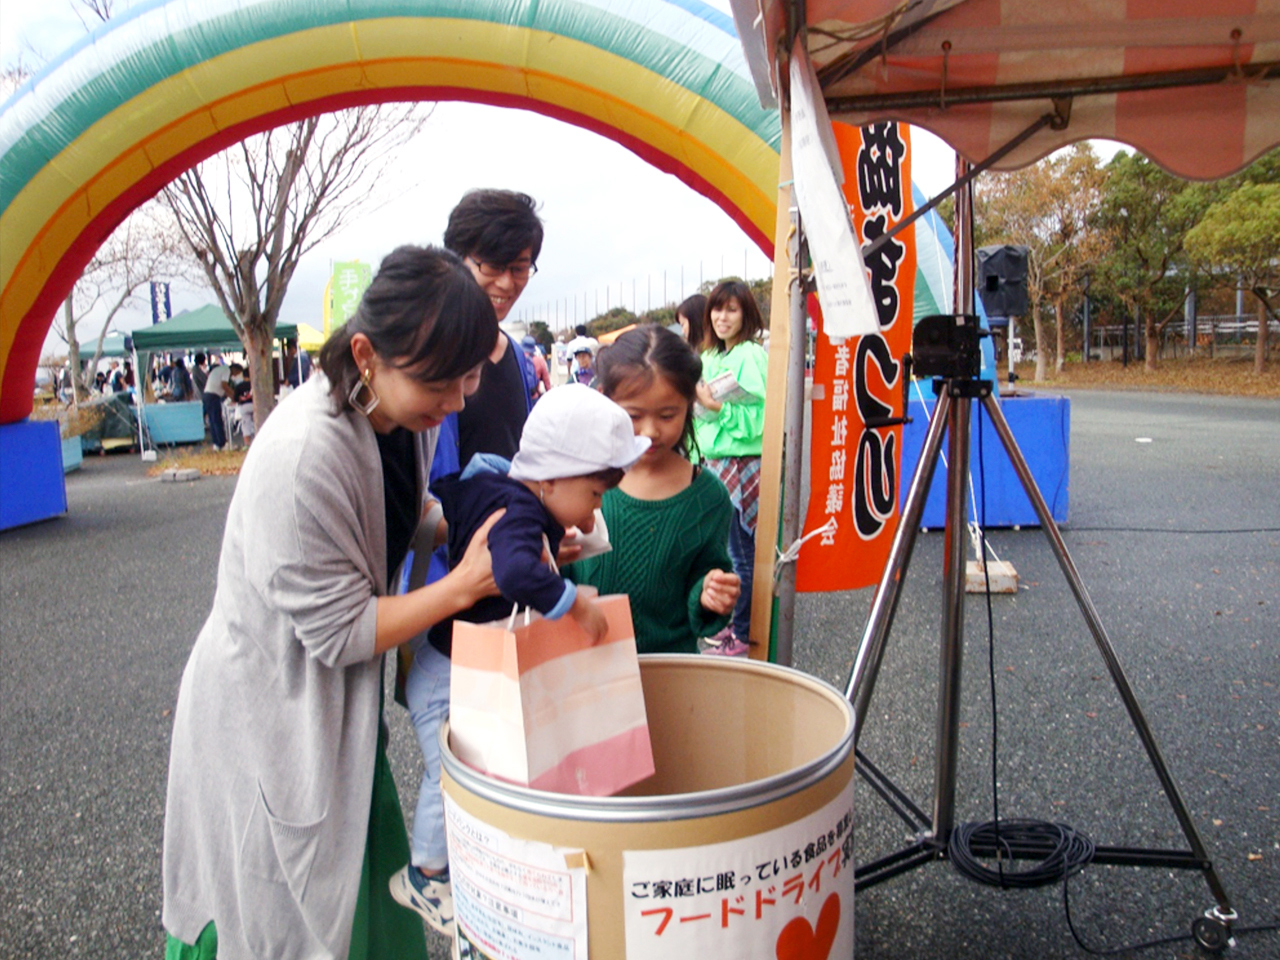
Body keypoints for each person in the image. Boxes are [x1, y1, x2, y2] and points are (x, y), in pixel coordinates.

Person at [161, 245, 503, 960]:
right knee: (272, 912)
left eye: (469, 376)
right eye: (441, 381)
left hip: (340, 714)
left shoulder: (397, 417)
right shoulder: (302, 455)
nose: (458, 400)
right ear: (365, 352)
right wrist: (464, 584)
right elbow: (345, 630)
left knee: (357, 890)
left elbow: (401, 520)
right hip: (270, 712)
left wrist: (487, 540)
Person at [390, 383, 645, 929]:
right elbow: (511, 571)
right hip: (446, 678)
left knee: (472, 770)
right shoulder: (520, 512)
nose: (596, 509)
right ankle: (424, 874)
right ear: (550, 478)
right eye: (595, 495)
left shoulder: (512, 495)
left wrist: (556, 542)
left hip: (457, 667)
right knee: (452, 779)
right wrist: (571, 603)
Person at [389, 189, 545, 938]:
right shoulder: (435, 356)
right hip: (451, 597)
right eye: (494, 263)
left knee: (502, 753)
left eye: (523, 267)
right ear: (457, 256)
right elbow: (430, 497)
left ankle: (485, 895)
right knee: (462, 757)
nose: (509, 281)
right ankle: (436, 877)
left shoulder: (513, 356)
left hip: (502, 587)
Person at [567, 325, 740, 654]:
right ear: (604, 399)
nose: (649, 431)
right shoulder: (573, 478)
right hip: (581, 665)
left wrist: (710, 592)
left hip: (669, 670)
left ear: (689, 404)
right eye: (633, 415)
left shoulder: (707, 498)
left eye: (667, 415)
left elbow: (706, 573)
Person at [693, 280, 768, 658]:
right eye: (717, 309)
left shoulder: (751, 354)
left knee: (742, 555)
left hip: (742, 467)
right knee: (728, 552)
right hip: (716, 463)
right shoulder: (711, 356)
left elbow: (764, 416)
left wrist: (718, 408)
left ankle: (743, 633)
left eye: (732, 309)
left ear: (746, 314)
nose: (723, 317)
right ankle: (733, 627)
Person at [201, 358, 233, 450]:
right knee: (217, 420)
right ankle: (222, 443)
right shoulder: (226, 370)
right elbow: (224, 385)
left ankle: (216, 443)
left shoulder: (218, 370)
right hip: (213, 396)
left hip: (207, 395)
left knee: (212, 420)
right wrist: (233, 396)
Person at [521, 334, 551, 401]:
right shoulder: (540, 361)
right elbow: (547, 383)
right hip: (534, 397)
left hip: (520, 398)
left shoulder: (517, 359)